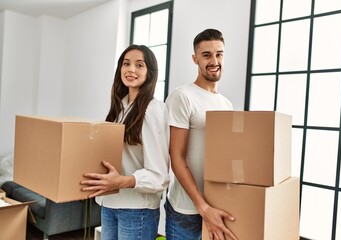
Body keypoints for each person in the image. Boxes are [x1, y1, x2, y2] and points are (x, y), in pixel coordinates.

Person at [80, 44, 170, 240]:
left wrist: (123, 181)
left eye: (139, 65)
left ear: (150, 73)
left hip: (137, 209)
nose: (131, 69)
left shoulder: (153, 110)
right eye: (126, 63)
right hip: (110, 203)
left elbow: (160, 175)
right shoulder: (119, 107)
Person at [164, 29, 237, 240]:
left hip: (217, 207)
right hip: (187, 211)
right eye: (206, 55)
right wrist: (202, 207)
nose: (214, 60)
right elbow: (176, 158)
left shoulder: (226, 104)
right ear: (195, 59)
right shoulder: (182, 96)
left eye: (219, 54)